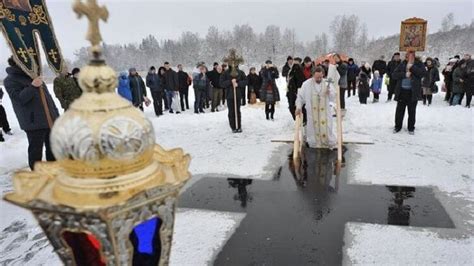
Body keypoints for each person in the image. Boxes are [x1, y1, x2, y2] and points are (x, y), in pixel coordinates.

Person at [4, 57, 59, 169]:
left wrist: (56, 115)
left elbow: (48, 100)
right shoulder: (10, 80)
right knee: (36, 151)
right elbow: (20, 99)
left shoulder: (34, 76)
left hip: (49, 119)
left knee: (53, 148)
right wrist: (33, 86)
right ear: (18, 64)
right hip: (33, 122)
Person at [295, 66, 337, 149]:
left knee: (327, 128)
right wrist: (298, 107)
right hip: (312, 114)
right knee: (313, 130)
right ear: (313, 75)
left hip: (325, 113)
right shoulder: (306, 84)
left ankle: (327, 143)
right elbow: (300, 98)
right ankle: (314, 143)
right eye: (317, 77)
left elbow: (333, 97)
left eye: (321, 77)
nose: (319, 79)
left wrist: (329, 93)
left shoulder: (327, 83)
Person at [392, 51, 426, 135]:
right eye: (407, 56)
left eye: (411, 56)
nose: (409, 58)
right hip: (402, 91)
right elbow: (394, 75)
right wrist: (404, 74)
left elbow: (422, 74)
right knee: (399, 111)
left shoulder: (419, 64)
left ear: (414, 56)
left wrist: (412, 67)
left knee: (412, 111)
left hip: (413, 92)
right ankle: (397, 127)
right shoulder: (402, 64)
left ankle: (411, 128)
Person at [220, 64, 248, 133]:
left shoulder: (240, 72)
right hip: (229, 95)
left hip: (238, 95)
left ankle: (238, 125)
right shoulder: (225, 73)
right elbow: (221, 83)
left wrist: (238, 84)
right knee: (231, 111)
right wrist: (230, 82)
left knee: (237, 111)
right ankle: (233, 126)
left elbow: (246, 81)